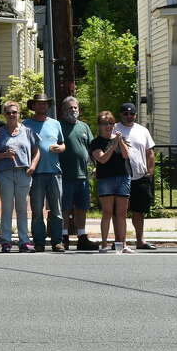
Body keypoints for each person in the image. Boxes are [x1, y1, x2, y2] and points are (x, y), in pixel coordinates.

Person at [0, 101, 40, 252]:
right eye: (8, 112)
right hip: (5, 173)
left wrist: (33, 166)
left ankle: (24, 241)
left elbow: (37, 151)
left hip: (23, 172)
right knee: (7, 208)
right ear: (4, 115)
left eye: (14, 112)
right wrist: (4, 155)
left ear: (19, 113)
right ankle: (6, 241)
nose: (11, 115)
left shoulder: (27, 131)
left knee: (22, 208)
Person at [23, 93, 66, 252]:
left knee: (56, 210)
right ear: (33, 106)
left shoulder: (55, 123)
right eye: (39, 103)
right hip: (36, 173)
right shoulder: (25, 124)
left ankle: (57, 241)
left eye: (45, 103)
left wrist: (60, 148)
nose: (42, 105)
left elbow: (62, 144)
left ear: (48, 106)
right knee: (37, 210)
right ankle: (39, 242)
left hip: (54, 172)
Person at [114, 102, 157, 250]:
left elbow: (150, 152)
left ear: (135, 115)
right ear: (121, 114)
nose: (129, 116)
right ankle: (119, 242)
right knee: (120, 212)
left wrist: (150, 171)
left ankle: (140, 241)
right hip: (120, 176)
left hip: (140, 177)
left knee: (139, 211)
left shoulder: (142, 130)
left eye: (131, 113)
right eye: (125, 113)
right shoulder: (114, 129)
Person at [58, 96, 97, 251]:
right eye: (70, 108)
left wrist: (97, 166)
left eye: (75, 107)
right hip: (64, 175)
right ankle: (64, 237)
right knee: (65, 208)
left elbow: (92, 148)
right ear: (63, 110)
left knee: (82, 207)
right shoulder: (58, 126)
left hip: (82, 176)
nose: (73, 110)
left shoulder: (84, 127)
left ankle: (82, 237)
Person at [91, 111, 133, 253]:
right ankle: (104, 244)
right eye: (104, 123)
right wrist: (113, 145)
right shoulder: (96, 142)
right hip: (105, 179)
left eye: (111, 123)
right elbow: (102, 159)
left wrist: (119, 141)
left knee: (122, 213)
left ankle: (123, 244)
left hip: (123, 177)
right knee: (107, 212)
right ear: (99, 126)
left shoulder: (119, 139)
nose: (108, 126)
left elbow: (126, 155)